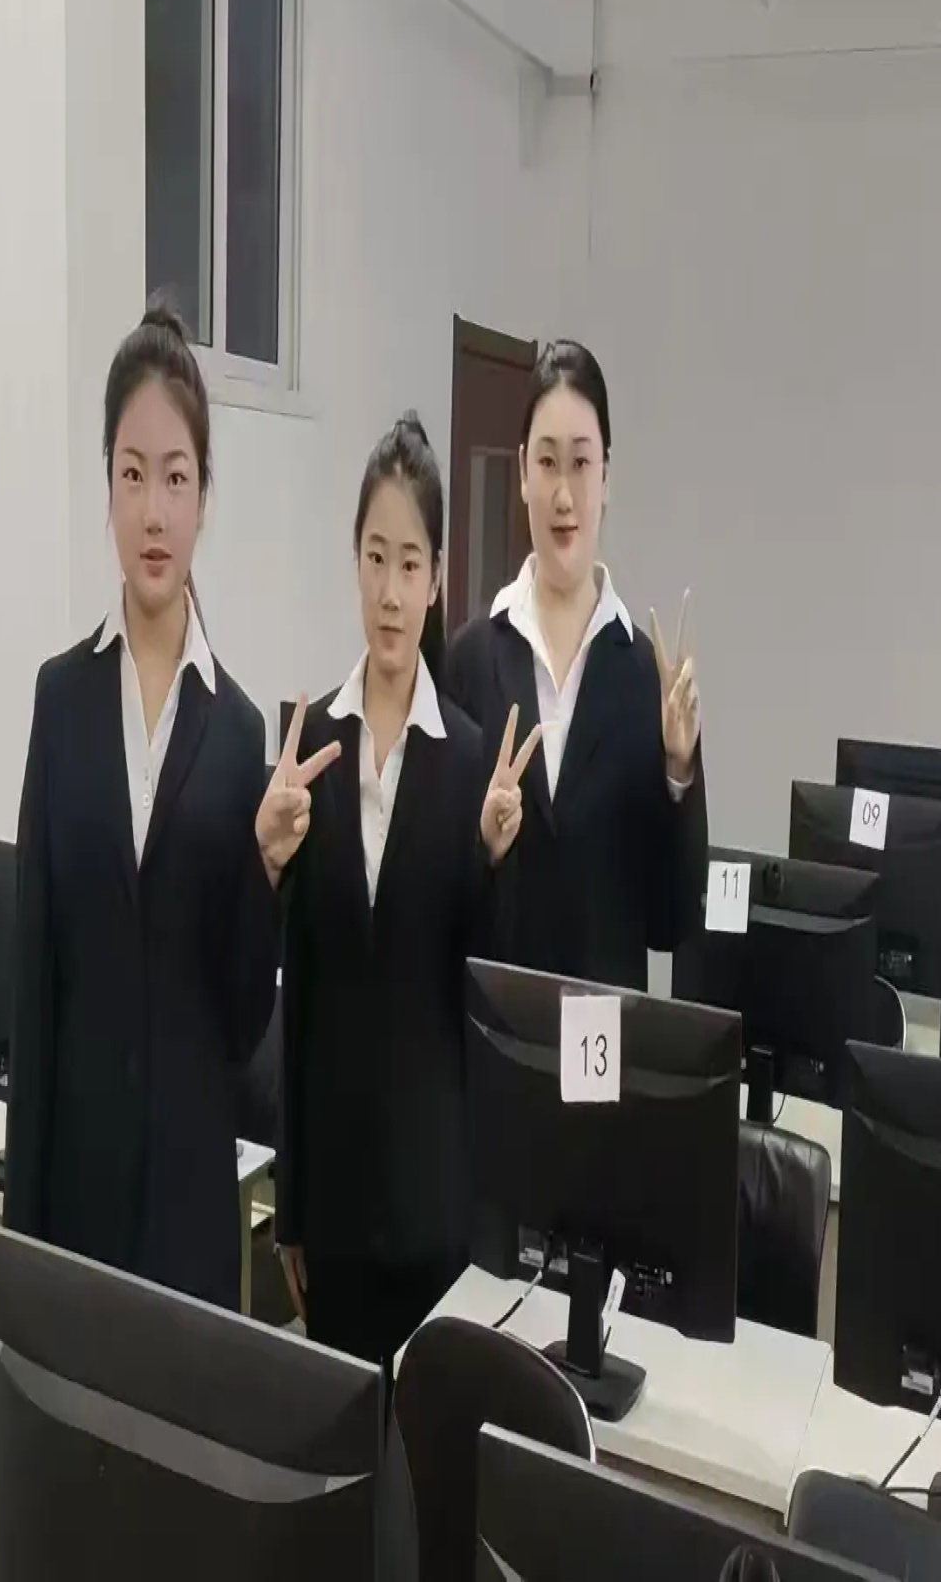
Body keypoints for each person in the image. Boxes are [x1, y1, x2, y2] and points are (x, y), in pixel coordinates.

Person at [3, 305, 337, 1310]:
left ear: (204, 498)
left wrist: (265, 869)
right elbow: (34, 984)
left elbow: (237, 1020)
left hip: (191, 1214)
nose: (154, 511)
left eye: (177, 477)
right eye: (134, 473)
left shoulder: (238, 732)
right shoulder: (61, 700)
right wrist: (22, 1250)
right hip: (73, 1203)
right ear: (107, 486)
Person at [273, 412, 537, 1367]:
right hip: (334, 1210)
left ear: (435, 579)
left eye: (410, 564)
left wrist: (494, 858)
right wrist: (291, 1207)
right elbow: (299, 990)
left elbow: (482, 995)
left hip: (436, 1210)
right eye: (375, 559)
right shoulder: (309, 747)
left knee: (429, 1444)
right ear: (355, 563)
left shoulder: (469, 759)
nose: (389, 593)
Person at [444, 339, 708, 991]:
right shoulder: (470, 661)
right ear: (522, 473)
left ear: (606, 478)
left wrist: (679, 771)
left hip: (604, 1040)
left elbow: (670, 922)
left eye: (582, 464)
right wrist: (483, 846)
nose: (564, 494)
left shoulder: (645, 677)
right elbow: (435, 902)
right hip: (495, 1028)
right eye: (547, 462)